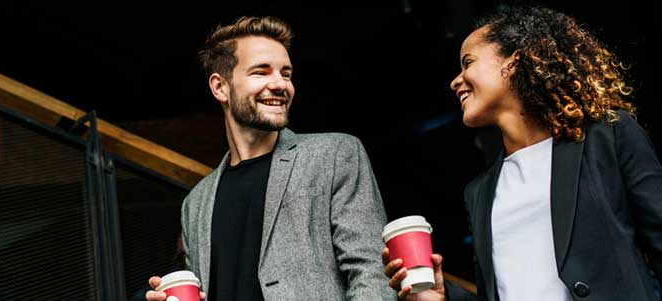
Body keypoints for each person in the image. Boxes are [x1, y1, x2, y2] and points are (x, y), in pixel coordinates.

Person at [384, 4, 662, 301]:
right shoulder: (479, 193)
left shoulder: (609, 137)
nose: (456, 80)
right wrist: (443, 296)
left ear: (514, 63)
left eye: (468, 63)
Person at [145, 16, 395, 301]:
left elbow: (373, 273)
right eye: (261, 72)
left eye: (286, 74)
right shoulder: (196, 204)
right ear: (220, 87)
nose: (280, 85)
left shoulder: (335, 154)